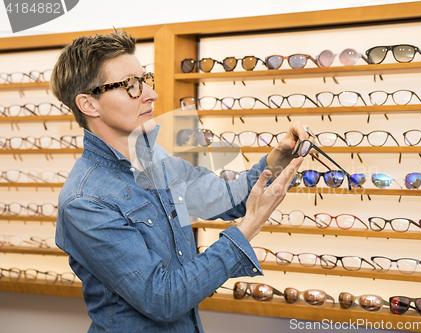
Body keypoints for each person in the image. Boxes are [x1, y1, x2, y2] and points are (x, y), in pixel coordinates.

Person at [51, 29, 307, 332]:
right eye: (131, 86)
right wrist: (247, 229)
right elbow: (163, 298)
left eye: (146, 80)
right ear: (89, 104)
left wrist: (279, 158)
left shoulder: (155, 159)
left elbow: (228, 198)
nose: (151, 94)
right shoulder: (85, 202)